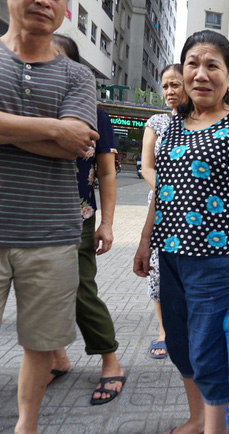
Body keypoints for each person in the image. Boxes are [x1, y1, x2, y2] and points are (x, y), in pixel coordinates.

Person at [133, 30, 229, 434]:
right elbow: (161, 191)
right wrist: (144, 241)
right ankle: (198, 419)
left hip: (219, 261)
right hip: (170, 256)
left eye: (213, 65)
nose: (201, 74)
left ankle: (215, 428)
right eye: (193, 63)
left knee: (210, 354)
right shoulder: (172, 126)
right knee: (180, 345)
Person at [0, 1, 99, 431]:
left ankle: (27, 424)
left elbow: (77, 146)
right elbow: (66, 136)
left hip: (54, 233)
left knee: (41, 344)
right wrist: (56, 127)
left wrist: (8, 130)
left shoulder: (78, 75)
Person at [47, 34, 125, 405]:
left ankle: (110, 360)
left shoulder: (95, 114)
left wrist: (107, 223)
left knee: (81, 290)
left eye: (56, 58)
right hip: (25, 213)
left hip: (76, 216)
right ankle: (57, 356)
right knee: (40, 292)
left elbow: (107, 174)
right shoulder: (25, 106)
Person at [140, 63, 187, 359]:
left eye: (176, 85)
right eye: (166, 85)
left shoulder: (200, 121)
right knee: (158, 272)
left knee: (188, 269)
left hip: (195, 211)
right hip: (160, 206)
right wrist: (171, 189)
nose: (169, 91)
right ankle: (164, 330)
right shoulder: (156, 122)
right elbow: (146, 167)